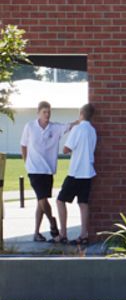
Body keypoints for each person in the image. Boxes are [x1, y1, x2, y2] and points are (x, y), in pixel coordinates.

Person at [21, 101, 66, 242]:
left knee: (41, 201)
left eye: (49, 112)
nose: (47, 114)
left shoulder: (55, 127)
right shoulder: (30, 126)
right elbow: (23, 145)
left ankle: (36, 233)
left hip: (47, 170)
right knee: (42, 198)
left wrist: (81, 120)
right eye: (44, 112)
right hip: (34, 169)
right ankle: (53, 223)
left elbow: (70, 126)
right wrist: (26, 162)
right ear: (38, 113)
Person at [55, 104, 98, 246]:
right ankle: (84, 234)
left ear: (81, 114)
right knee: (83, 203)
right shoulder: (93, 131)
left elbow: (66, 149)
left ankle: (63, 234)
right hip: (88, 172)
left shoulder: (77, 129)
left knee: (60, 201)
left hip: (76, 172)